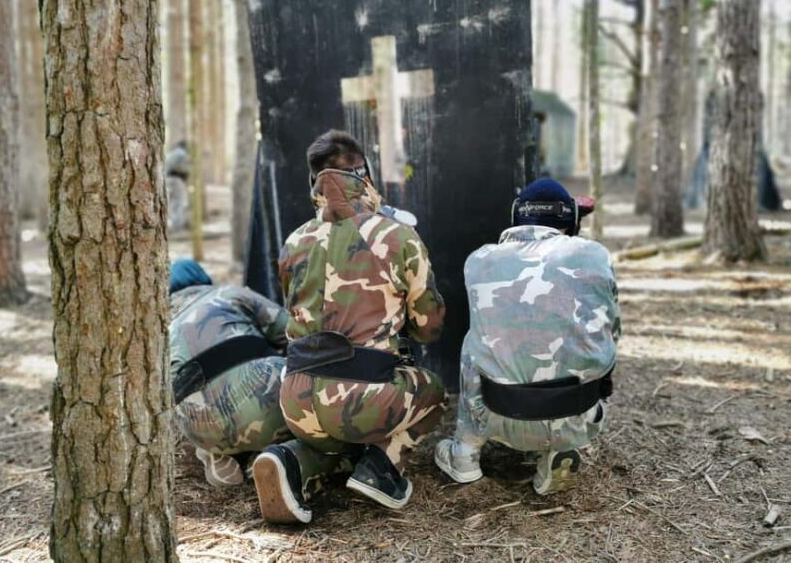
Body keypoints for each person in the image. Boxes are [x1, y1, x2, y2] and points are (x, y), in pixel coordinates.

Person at [252, 130, 447, 524]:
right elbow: (429, 328)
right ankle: (382, 466)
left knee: (335, 436)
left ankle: (290, 459)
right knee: (434, 392)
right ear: (366, 177)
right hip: (362, 400)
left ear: (315, 183)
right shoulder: (397, 236)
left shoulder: (294, 241)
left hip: (295, 401)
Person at [435, 178, 621, 495]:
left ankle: (464, 454)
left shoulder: (479, 260)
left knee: (474, 340)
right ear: (571, 221)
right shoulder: (595, 256)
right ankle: (560, 447)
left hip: (499, 413)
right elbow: (612, 333)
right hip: (578, 415)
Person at [169, 259, 292, 487]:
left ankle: (216, 453)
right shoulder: (229, 294)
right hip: (263, 403)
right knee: (299, 377)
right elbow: (291, 330)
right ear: (203, 279)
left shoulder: (158, 328)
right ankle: (278, 453)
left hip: (198, 429)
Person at [165, 140, 190, 232]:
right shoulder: (182, 154)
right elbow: (183, 168)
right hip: (177, 179)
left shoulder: (171, 154)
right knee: (178, 203)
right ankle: (177, 226)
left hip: (167, 179)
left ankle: (171, 223)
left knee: (171, 202)